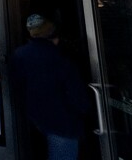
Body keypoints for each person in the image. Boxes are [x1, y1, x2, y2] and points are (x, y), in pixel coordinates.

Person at [10, 14, 88, 160]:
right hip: (63, 121)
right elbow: (77, 96)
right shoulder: (62, 57)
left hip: (35, 117)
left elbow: (18, 87)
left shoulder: (20, 54)